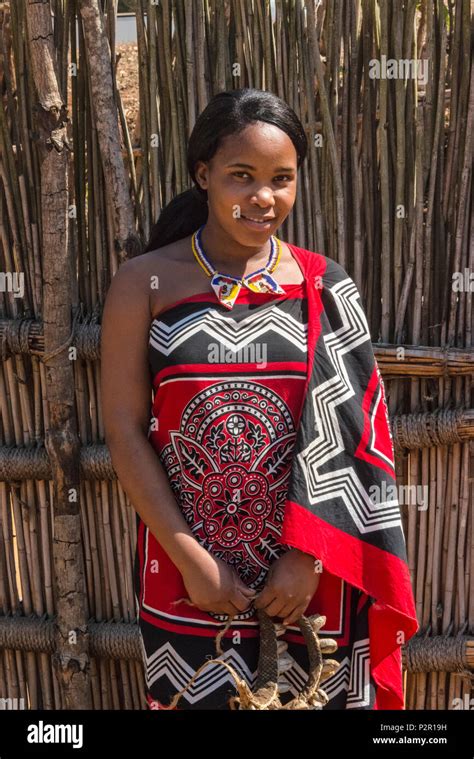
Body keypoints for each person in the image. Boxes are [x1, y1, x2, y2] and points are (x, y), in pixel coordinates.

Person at [101, 88, 418, 711]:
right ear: (203, 175)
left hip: (311, 585)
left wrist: (308, 558)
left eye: (281, 179)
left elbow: (359, 436)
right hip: (189, 581)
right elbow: (123, 428)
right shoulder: (144, 283)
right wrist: (192, 559)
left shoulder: (325, 284)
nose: (262, 198)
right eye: (241, 177)